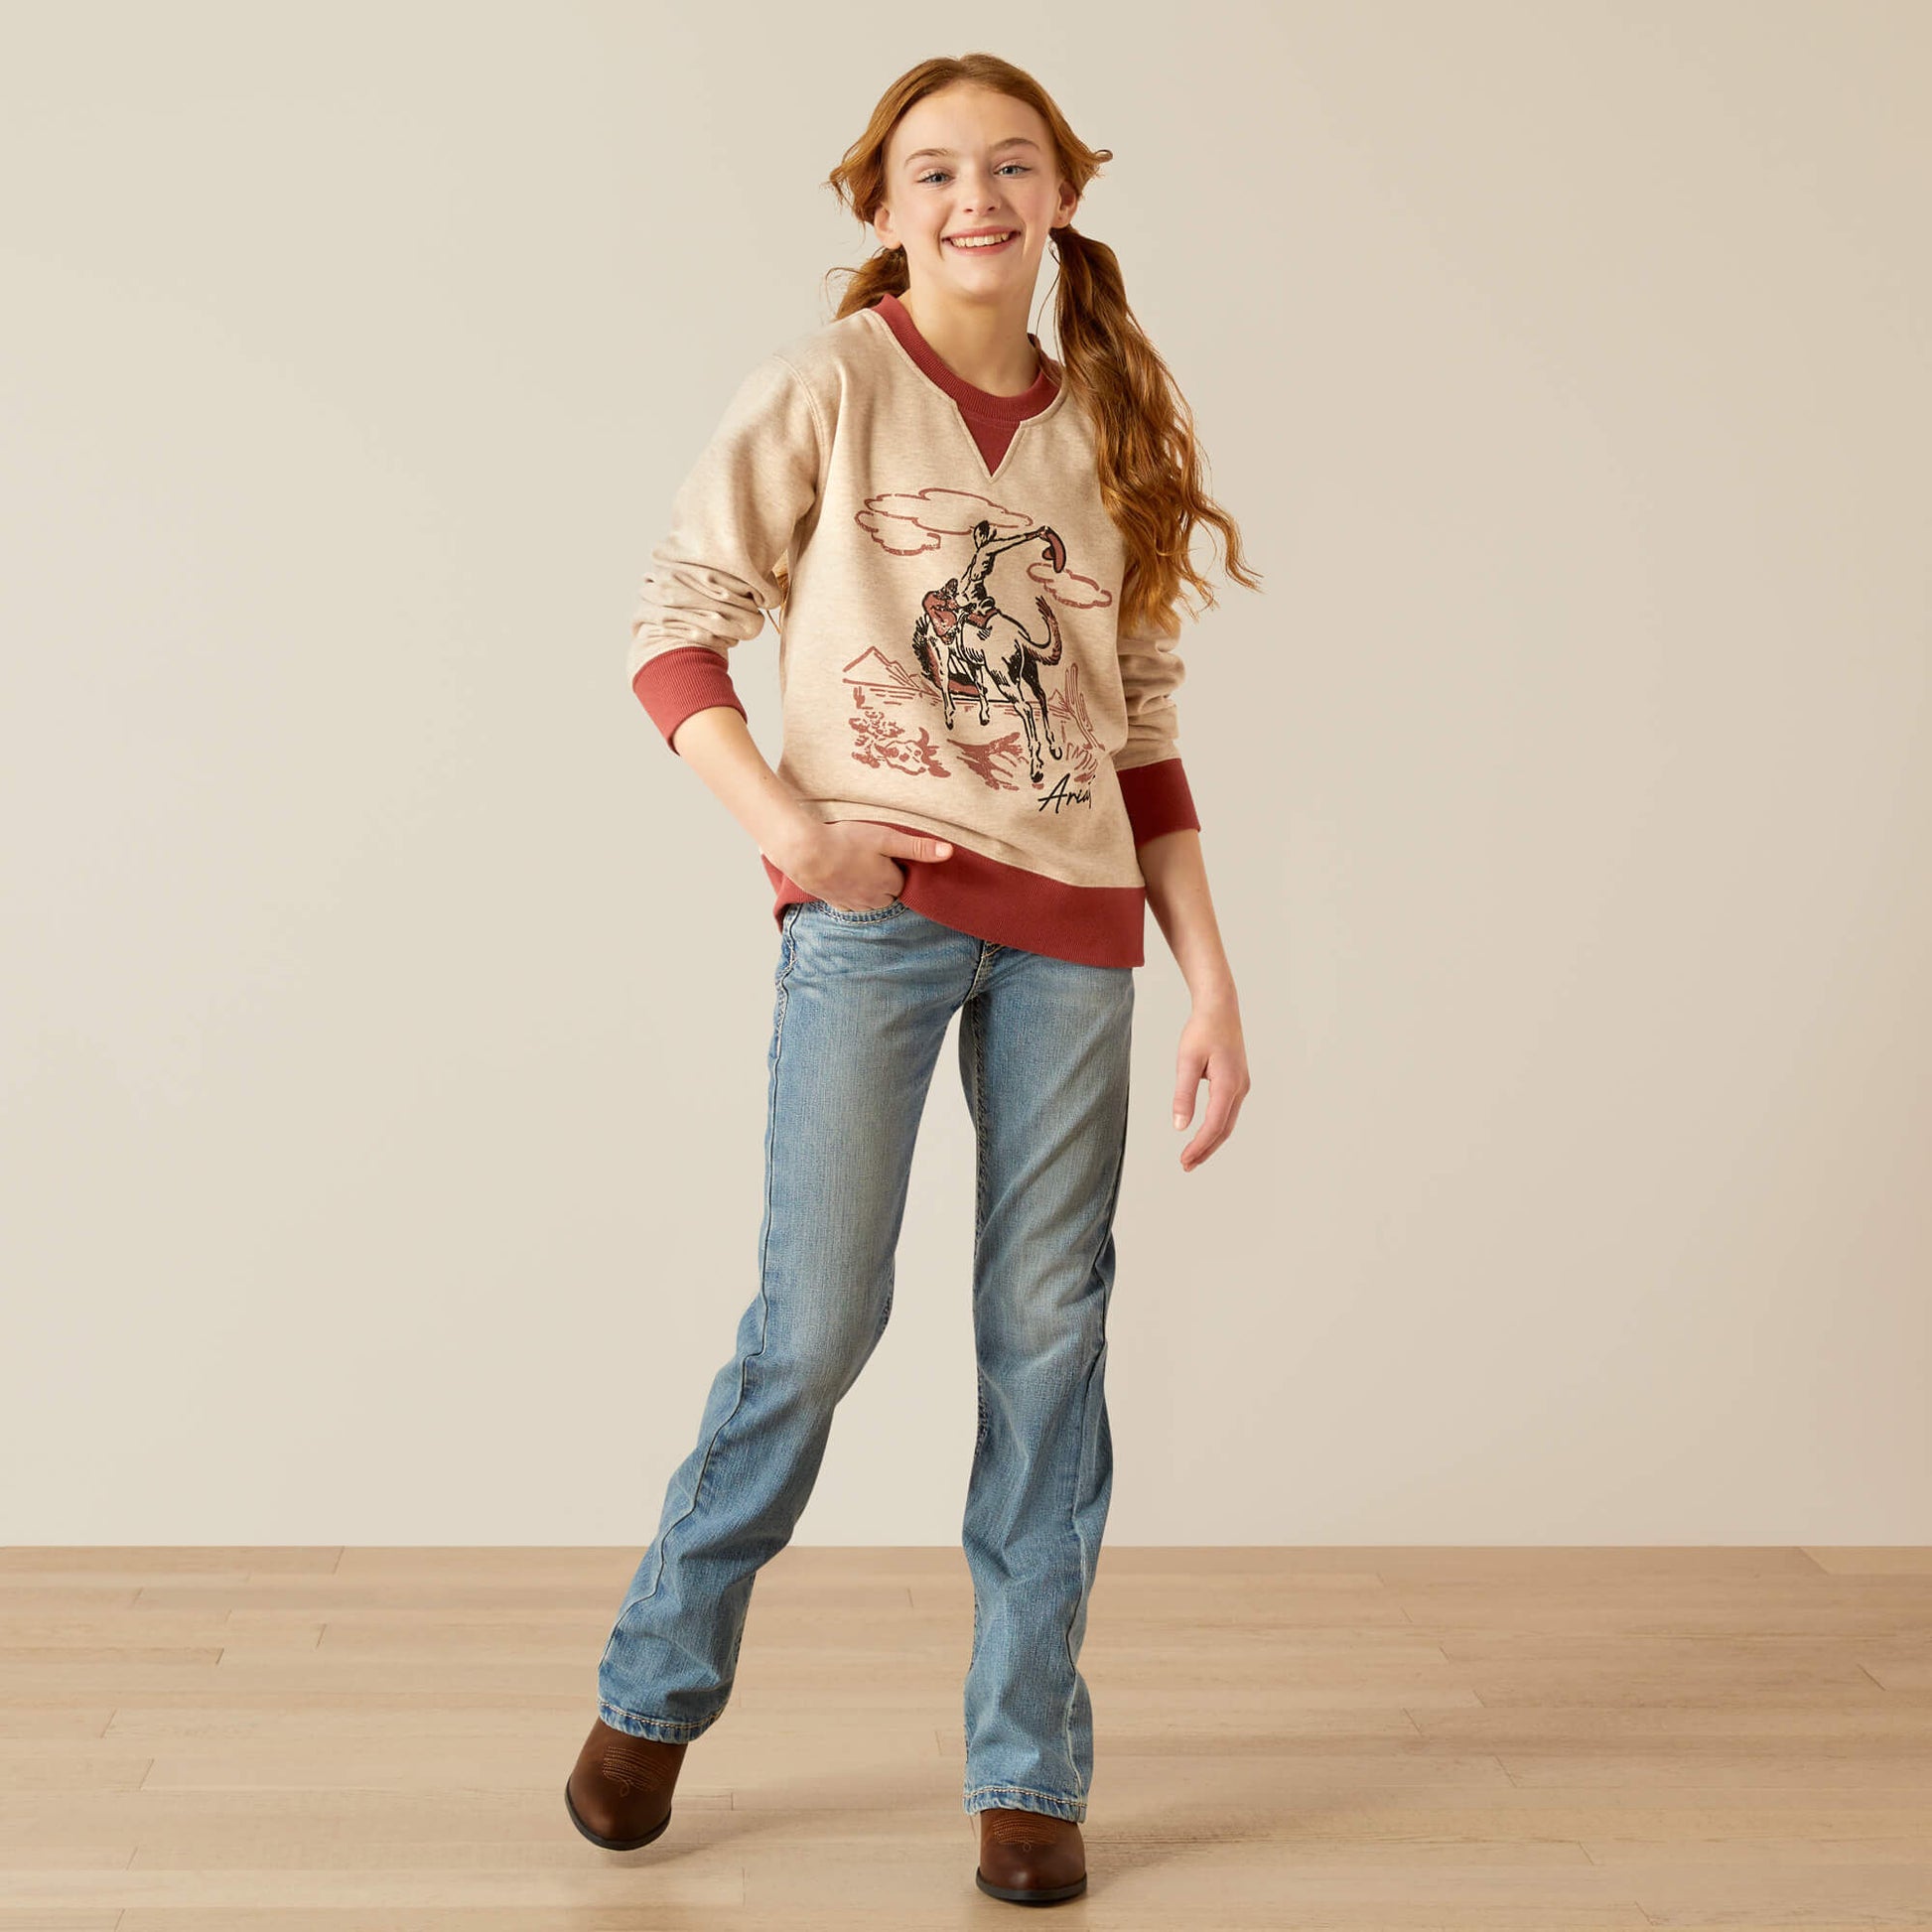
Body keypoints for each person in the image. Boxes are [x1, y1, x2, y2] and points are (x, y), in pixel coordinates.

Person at [566, 51, 1258, 1906]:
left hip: (1076, 939)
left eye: (1011, 164)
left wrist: (1210, 981)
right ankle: (653, 1684)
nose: (976, 196)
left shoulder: (1109, 419)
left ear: (1063, 194)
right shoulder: (825, 388)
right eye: (935, 169)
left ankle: (1027, 1768)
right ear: (880, 205)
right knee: (815, 1328)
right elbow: (670, 629)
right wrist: (790, 832)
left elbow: (1143, 737)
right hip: (867, 919)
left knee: (1049, 1340)